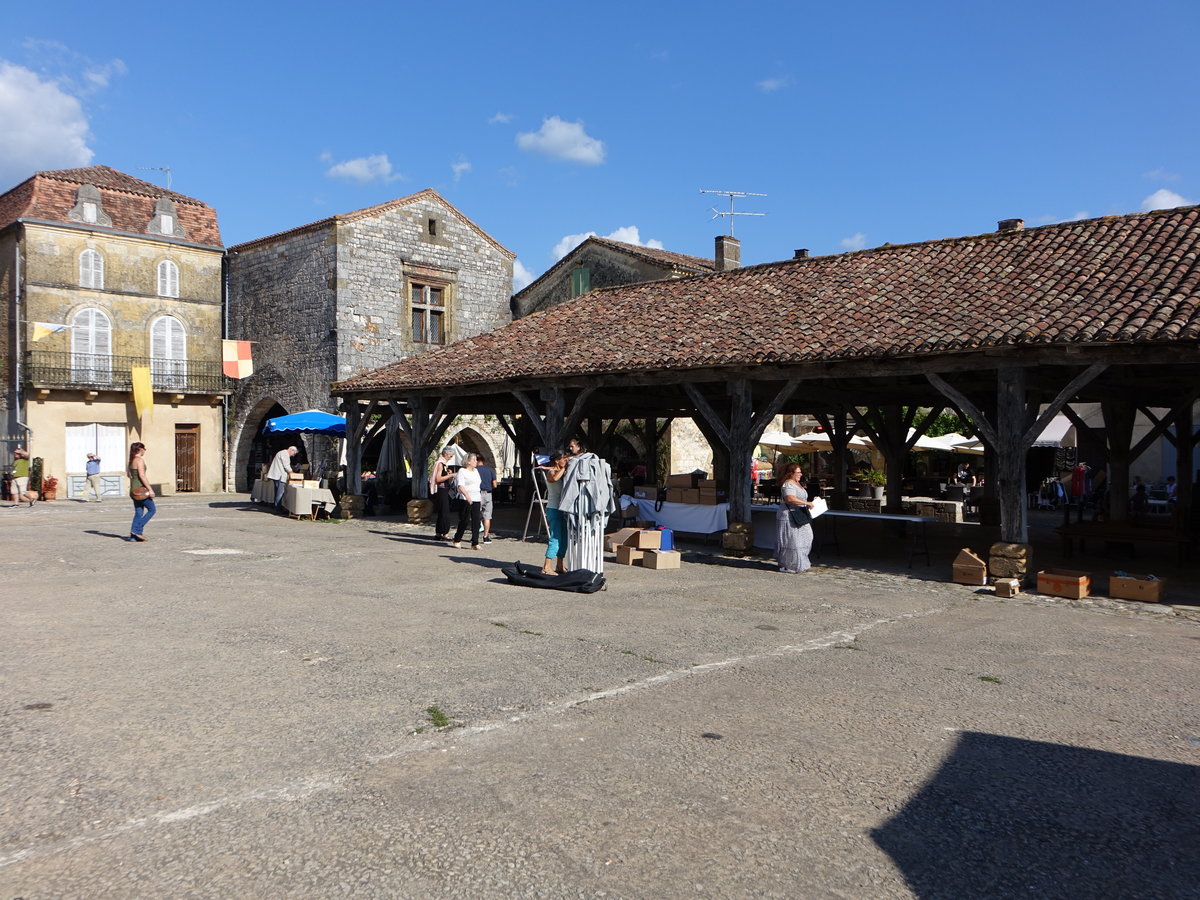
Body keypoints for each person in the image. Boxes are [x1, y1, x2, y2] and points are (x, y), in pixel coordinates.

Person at [775, 462, 815, 574]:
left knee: (807, 536)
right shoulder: (788, 484)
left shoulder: (797, 483)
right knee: (792, 541)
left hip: (799, 514)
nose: (800, 474)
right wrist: (806, 503)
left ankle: (800, 562)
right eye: (798, 472)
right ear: (790, 473)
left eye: (800, 472)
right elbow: (790, 499)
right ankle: (789, 565)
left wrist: (810, 502)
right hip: (789, 515)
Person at [537, 451, 569, 575]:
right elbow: (554, 478)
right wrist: (563, 467)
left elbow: (557, 469)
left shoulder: (557, 470)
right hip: (554, 509)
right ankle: (546, 566)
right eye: (563, 459)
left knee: (564, 538)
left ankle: (560, 565)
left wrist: (547, 466)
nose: (565, 461)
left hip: (562, 509)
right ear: (557, 460)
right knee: (555, 537)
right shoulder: (551, 473)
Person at [450, 453, 482, 550]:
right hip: (465, 498)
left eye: (476, 460)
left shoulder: (476, 471)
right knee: (465, 520)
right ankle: (457, 539)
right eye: (474, 460)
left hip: (476, 497)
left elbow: (478, 484)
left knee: (476, 520)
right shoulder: (462, 471)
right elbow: (460, 485)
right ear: (468, 461)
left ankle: (475, 542)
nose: (476, 462)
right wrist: (467, 496)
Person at [127, 442, 155, 542]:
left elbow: (129, 475)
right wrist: (150, 489)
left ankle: (133, 537)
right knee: (152, 509)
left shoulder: (131, 460)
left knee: (139, 512)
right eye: (144, 449)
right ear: (140, 449)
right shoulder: (139, 460)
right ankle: (137, 530)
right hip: (140, 490)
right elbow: (142, 476)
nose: (145, 451)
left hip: (133, 490)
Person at [429, 448, 456, 540]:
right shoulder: (440, 464)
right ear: (446, 454)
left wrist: (448, 474)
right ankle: (444, 532)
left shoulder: (443, 464)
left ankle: (440, 532)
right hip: (442, 490)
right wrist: (450, 475)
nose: (450, 458)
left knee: (443, 512)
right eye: (450, 456)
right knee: (444, 512)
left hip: (444, 490)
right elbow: (438, 479)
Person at [267, 446, 298, 512]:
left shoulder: (281, 453)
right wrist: (292, 473)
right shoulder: (284, 454)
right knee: (280, 493)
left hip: (277, 475)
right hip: (279, 476)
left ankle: (276, 507)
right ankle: (277, 509)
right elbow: (286, 465)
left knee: (277, 492)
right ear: (291, 450)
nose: (293, 455)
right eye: (294, 453)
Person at [476, 457, 498, 543]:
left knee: (476, 515)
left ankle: (475, 535)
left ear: (477, 461)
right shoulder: (490, 470)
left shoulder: (475, 470)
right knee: (487, 516)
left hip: (477, 494)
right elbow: (495, 485)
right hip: (488, 494)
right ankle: (486, 536)